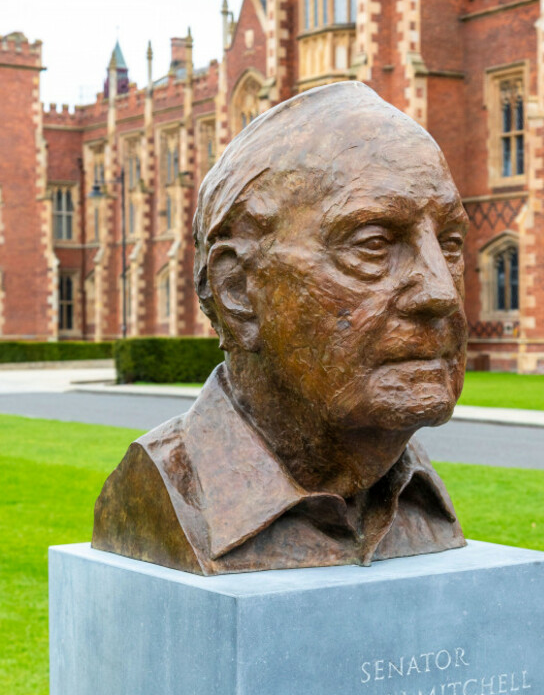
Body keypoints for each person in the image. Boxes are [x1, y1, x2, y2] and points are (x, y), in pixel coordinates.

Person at [92, 82, 469, 574]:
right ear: (238, 292)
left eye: (451, 242)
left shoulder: (422, 507)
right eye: (373, 244)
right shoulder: (171, 496)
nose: (440, 292)